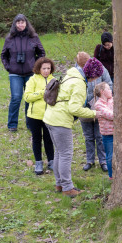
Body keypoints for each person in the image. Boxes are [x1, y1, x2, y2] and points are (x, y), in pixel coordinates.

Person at [43, 53, 97, 198]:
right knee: (66, 154)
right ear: (90, 74)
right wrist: (94, 113)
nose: (94, 81)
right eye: (95, 77)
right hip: (60, 121)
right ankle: (67, 187)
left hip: (50, 116)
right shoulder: (79, 83)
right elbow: (74, 109)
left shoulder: (70, 74)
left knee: (59, 152)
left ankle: (59, 183)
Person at [1, 14, 46, 132]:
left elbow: (42, 53)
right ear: (15, 24)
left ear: (26, 23)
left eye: (22, 22)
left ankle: (30, 123)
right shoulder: (9, 38)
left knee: (29, 98)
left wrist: (36, 66)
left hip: (30, 73)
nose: (20, 24)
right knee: (16, 97)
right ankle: (12, 125)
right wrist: (8, 67)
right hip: (14, 73)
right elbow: (3, 55)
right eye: (18, 22)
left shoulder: (33, 37)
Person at [23, 57, 56, 174]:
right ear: (39, 69)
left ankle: (51, 161)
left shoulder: (54, 80)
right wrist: (43, 92)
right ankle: (38, 162)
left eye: (48, 68)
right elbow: (27, 97)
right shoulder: (32, 80)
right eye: (44, 68)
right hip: (34, 116)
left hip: (49, 116)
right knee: (37, 139)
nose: (46, 70)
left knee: (49, 139)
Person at [81, 57, 112, 172]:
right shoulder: (80, 73)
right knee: (88, 136)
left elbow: (109, 85)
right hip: (85, 108)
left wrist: (105, 101)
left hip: (100, 107)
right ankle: (90, 160)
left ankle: (103, 160)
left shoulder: (102, 70)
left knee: (99, 136)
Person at [94, 82, 114, 179]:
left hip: (117, 133)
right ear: (102, 92)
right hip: (108, 135)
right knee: (110, 157)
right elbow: (112, 115)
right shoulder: (98, 105)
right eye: (108, 88)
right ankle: (111, 176)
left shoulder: (112, 100)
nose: (111, 90)